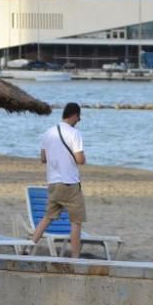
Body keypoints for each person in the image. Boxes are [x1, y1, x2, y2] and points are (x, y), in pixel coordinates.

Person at [32, 102, 85, 258]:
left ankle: (28, 247)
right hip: (70, 183)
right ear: (74, 115)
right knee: (76, 221)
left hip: (53, 182)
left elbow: (43, 158)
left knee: (47, 217)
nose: (78, 120)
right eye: (79, 118)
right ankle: (75, 257)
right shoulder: (74, 133)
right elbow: (80, 159)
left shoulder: (48, 132)